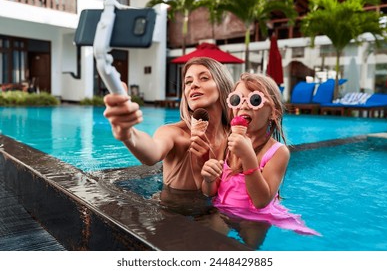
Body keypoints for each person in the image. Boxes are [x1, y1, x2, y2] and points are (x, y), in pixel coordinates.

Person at [201, 72, 320, 237]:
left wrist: (248, 157)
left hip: (256, 218)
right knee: (209, 239)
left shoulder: (278, 152)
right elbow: (210, 192)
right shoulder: (226, 142)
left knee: (250, 250)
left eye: (254, 100)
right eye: (236, 99)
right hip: (222, 209)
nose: (244, 106)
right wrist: (208, 179)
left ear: (274, 113)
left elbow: (260, 202)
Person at [103, 57, 234, 191]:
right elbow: (151, 154)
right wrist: (128, 133)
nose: (193, 85)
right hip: (174, 208)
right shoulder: (175, 134)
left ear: (223, 85)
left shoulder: (232, 137)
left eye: (204, 78)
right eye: (188, 82)